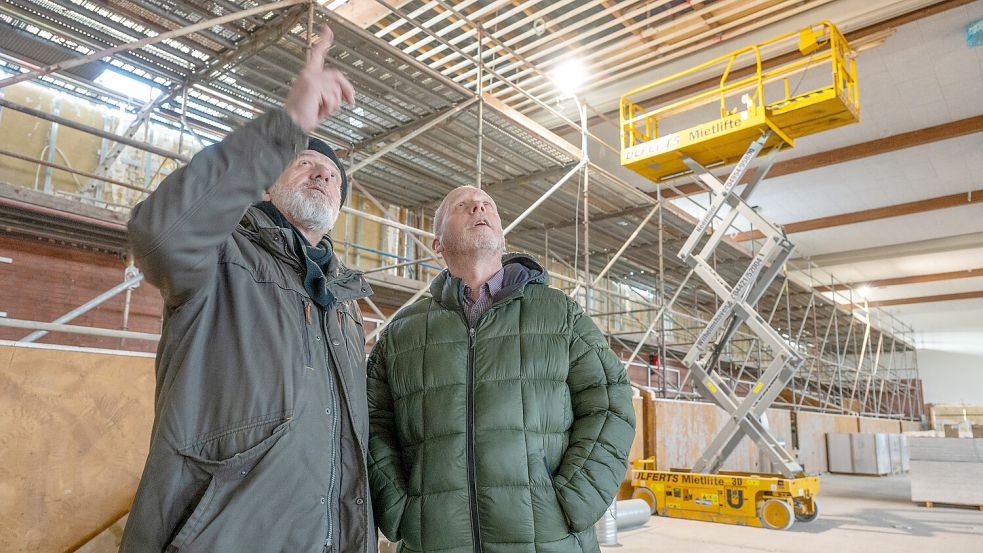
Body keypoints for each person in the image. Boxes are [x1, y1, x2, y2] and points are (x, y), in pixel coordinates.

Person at [120, 26, 376, 553]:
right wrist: (287, 128)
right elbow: (157, 234)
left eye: (333, 174)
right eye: (305, 162)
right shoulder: (220, 257)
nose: (324, 176)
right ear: (267, 180)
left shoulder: (345, 306)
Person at [366, 185, 636, 553]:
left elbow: (610, 402)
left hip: (547, 540)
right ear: (437, 244)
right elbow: (372, 423)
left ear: (501, 234)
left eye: (487, 204)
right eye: (462, 206)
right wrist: (398, 509)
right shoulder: (403, 333)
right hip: (435, 540)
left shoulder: (561, 315)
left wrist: (574, 500)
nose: (479, 206)